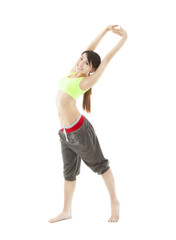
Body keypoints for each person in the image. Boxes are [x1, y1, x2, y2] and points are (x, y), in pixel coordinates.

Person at [48, 25, 128, 223]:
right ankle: (66, 210)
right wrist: (105, 30)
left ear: (92, 69)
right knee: (68, 172)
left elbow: (106, 59)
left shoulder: (85, 82)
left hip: (79, 132)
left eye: (86, 62)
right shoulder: (71, 74)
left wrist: (123, 38)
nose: (81, 62)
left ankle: (114, 202)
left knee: (100, 165)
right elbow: (87, 49)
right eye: (81, 59)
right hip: (65, 133)